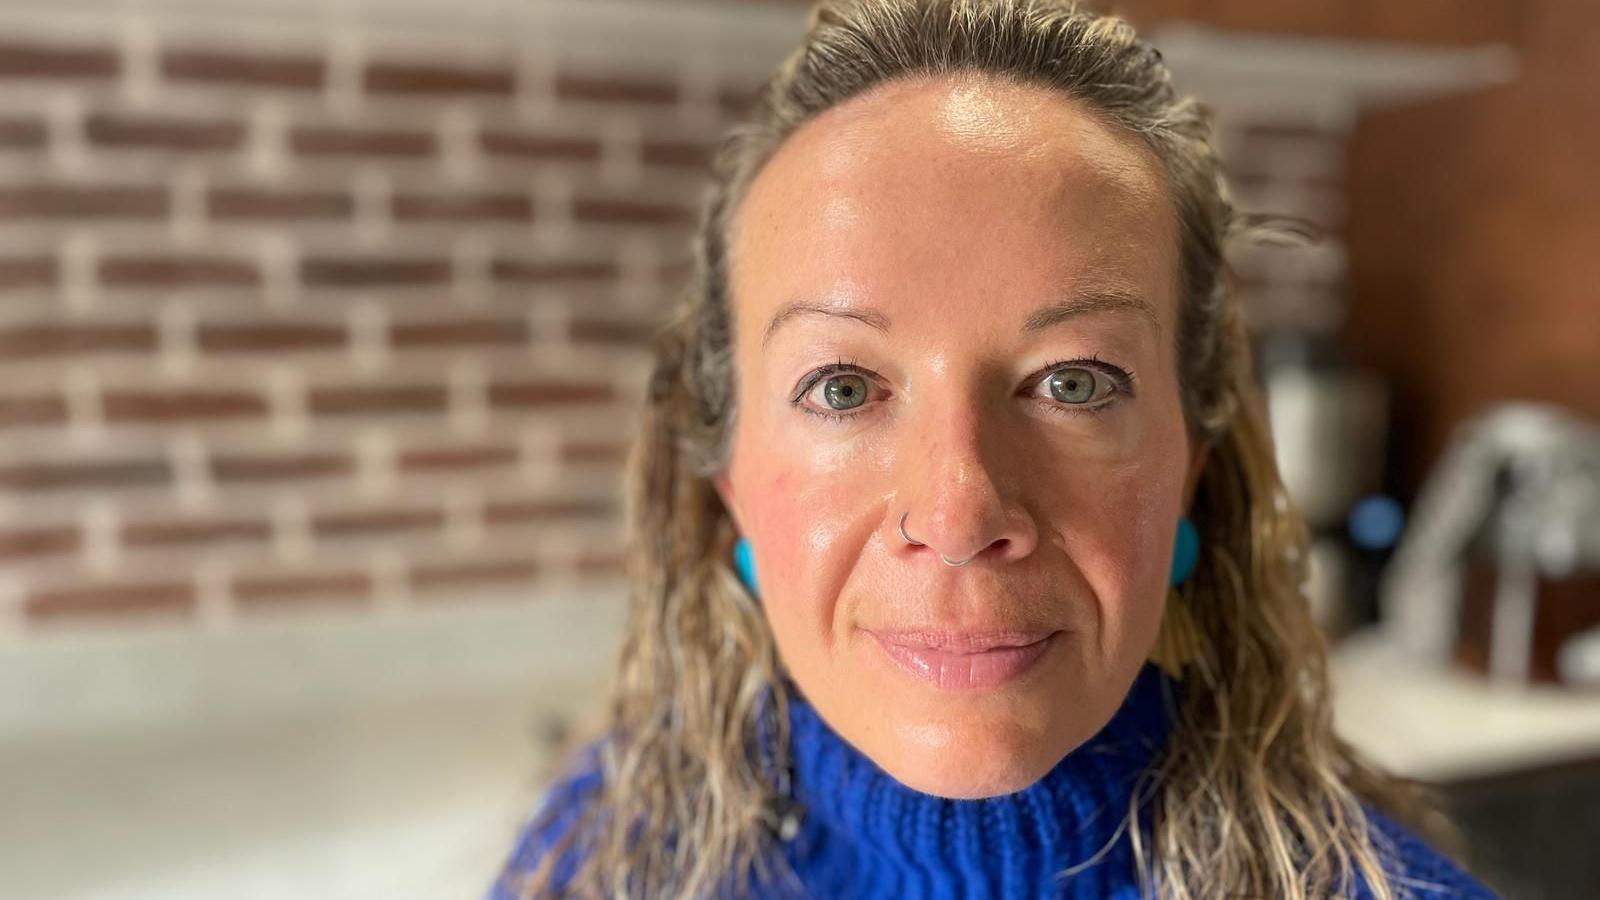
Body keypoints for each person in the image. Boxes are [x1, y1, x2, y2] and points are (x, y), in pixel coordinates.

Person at [488, 1, 1500, 897]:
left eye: (1073, 383)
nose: (960, 515)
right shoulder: (596, 860)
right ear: (729, 491)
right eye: (842, 388)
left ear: (1190, 468)